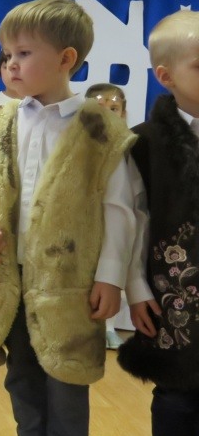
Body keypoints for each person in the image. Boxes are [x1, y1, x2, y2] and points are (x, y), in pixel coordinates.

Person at [0, 0, 140, 436]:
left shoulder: (100, 129)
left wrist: (110, 277)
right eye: (8, 54)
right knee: (21, 366)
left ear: (66, 59)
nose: (11, 64)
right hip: (12, 273)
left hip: (70, 279)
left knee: (67, 367)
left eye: (24, 53)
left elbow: (119, 209)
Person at [118, 10, 199, 436]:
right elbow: (132, 220)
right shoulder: (144, 144)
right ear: (166, 77)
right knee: (175, 390)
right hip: (174, 294)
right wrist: (135, 287)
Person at [84, 82, 131, 350]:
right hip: (87, 220)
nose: (107, 112)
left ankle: (110, 326)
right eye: (100, 106)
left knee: (113, 271)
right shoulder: (79, 143)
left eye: (114, 108)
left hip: (116, 218)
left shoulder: (129, 145)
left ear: (123, 113)